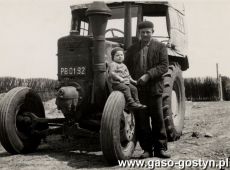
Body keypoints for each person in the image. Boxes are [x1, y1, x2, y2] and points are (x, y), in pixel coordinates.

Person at [124, 21, 170, 158]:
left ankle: (160, 149)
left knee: (158, 119)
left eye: (148, 32)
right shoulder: (132, 49)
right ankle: (147, 150)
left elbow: (164, 66)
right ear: (139, 33)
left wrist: (148, 75)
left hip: (155, 89)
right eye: (142, 32)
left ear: (152, 32)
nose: (145, 34)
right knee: (142, 122)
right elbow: (126, 67)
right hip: (138, 91)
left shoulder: (160, 47)